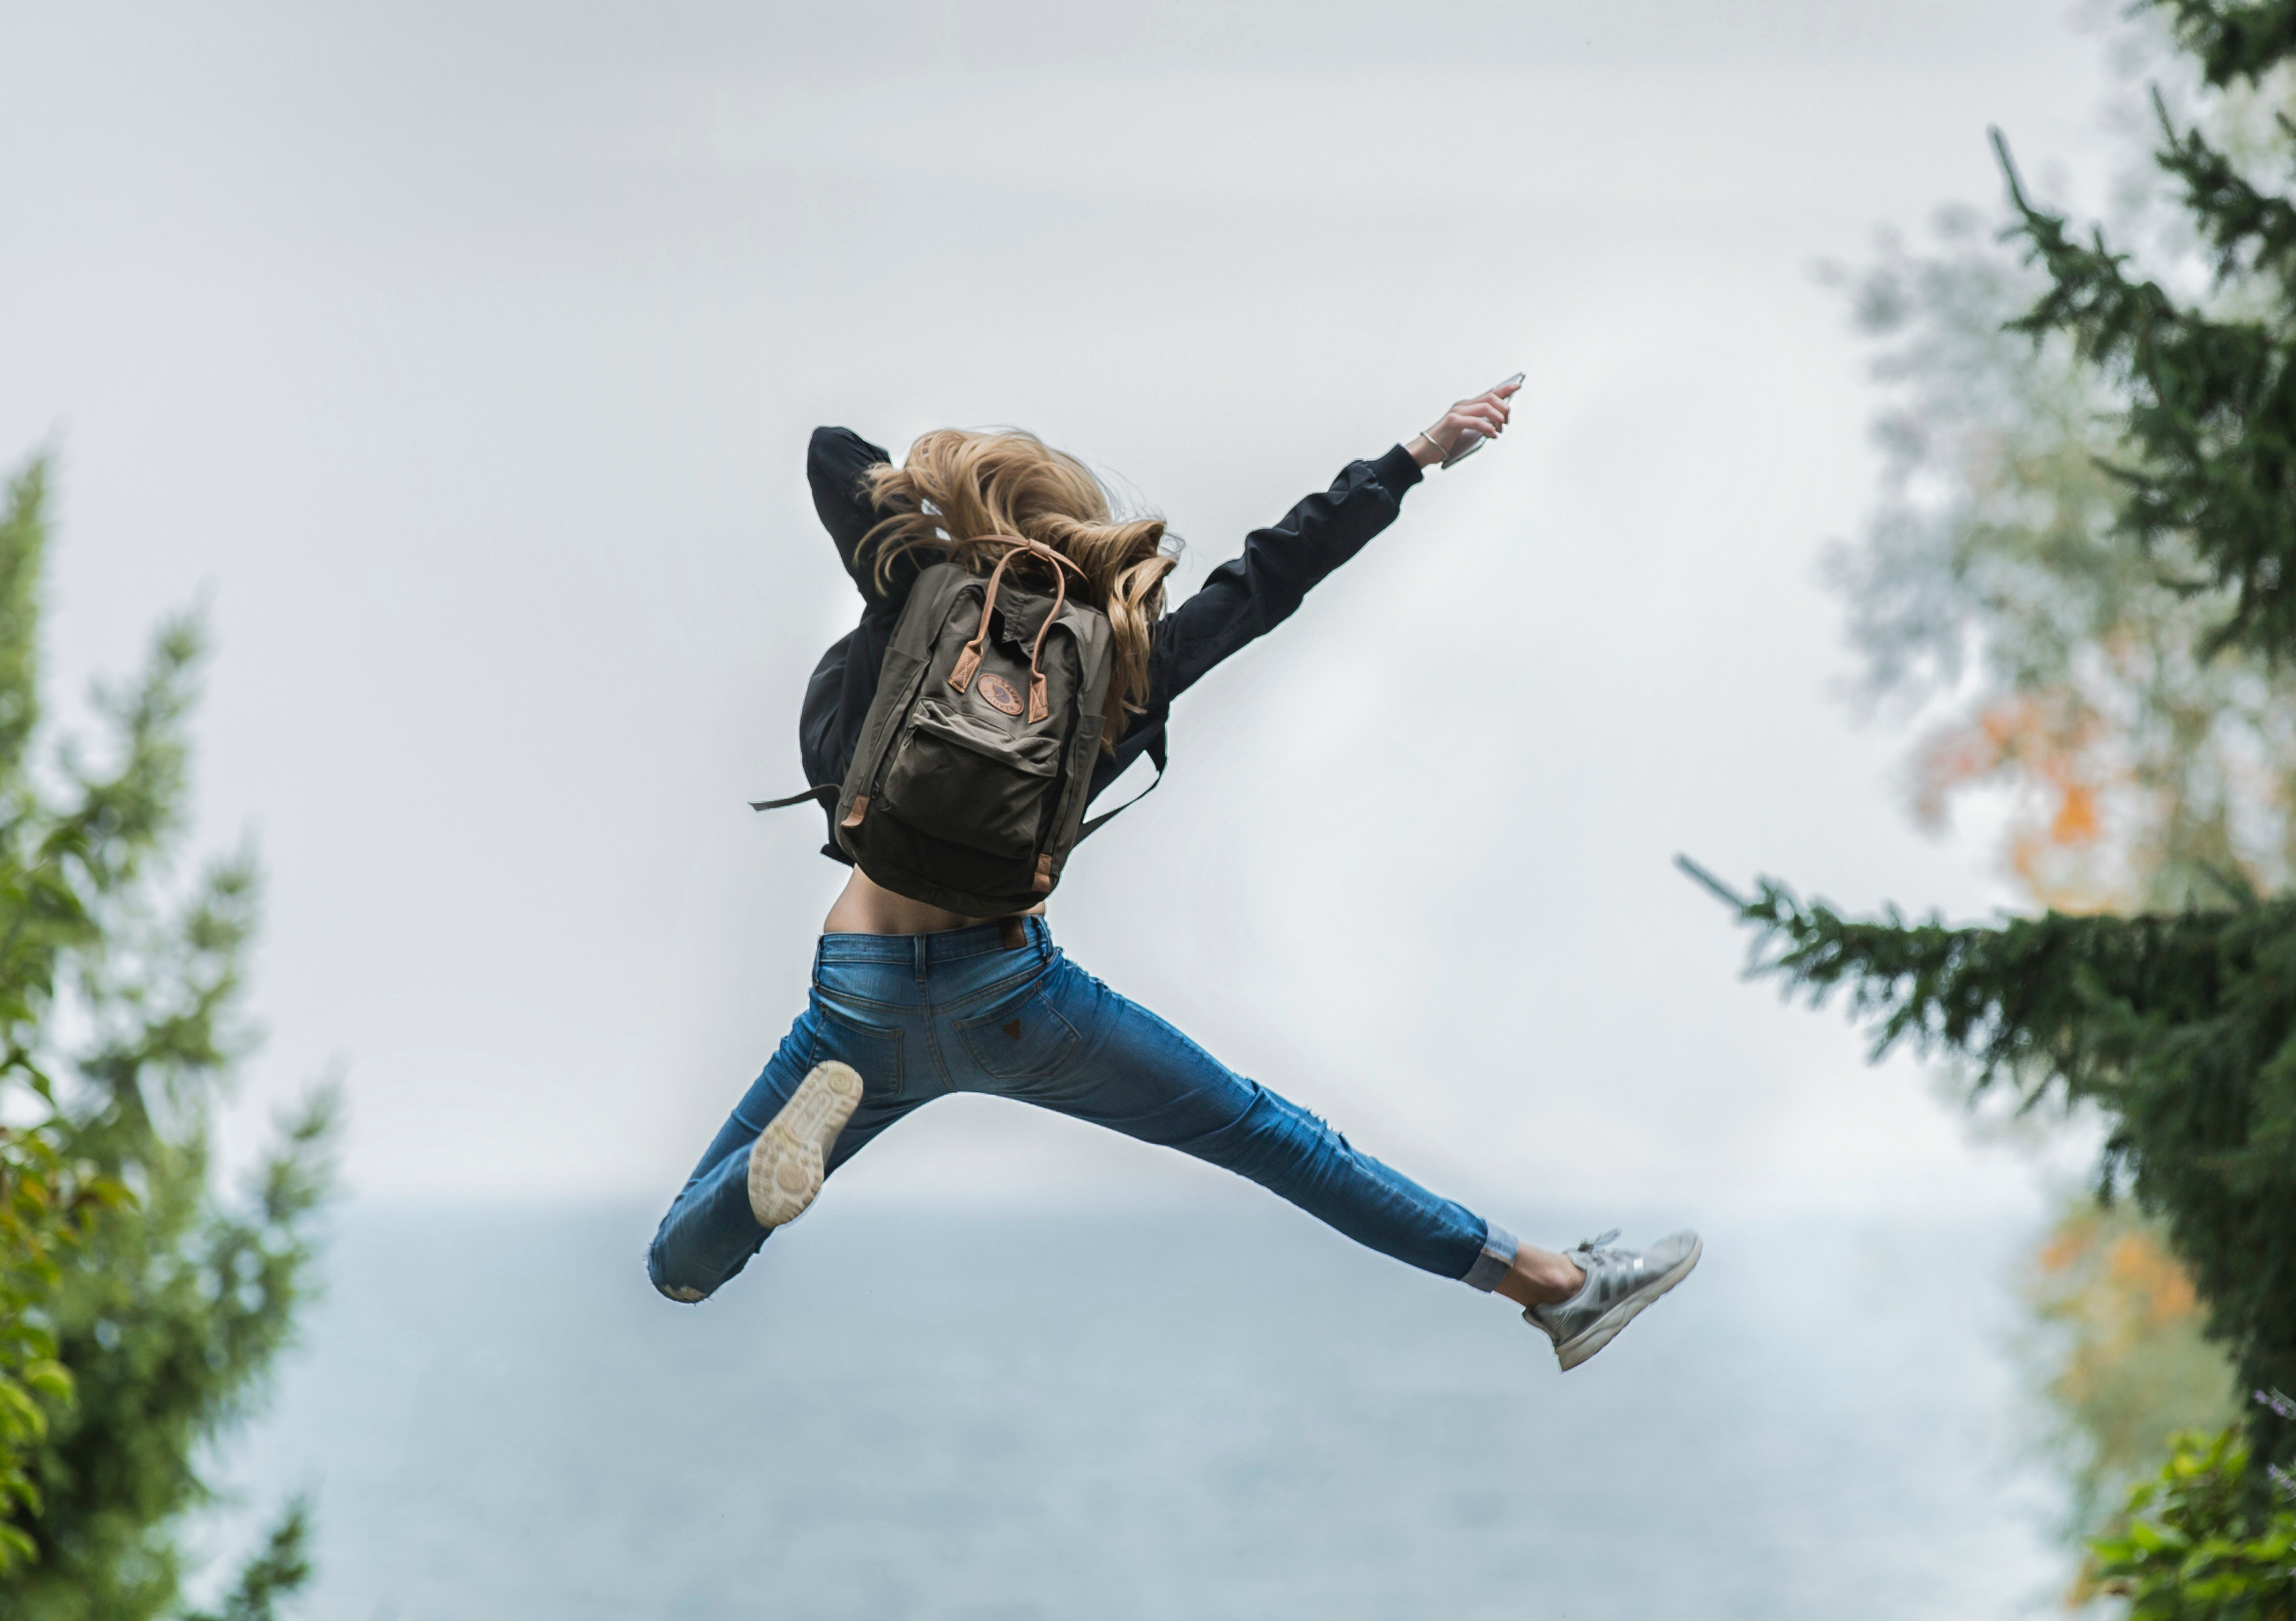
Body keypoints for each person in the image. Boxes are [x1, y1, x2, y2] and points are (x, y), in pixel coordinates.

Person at [644, 381, 1698, 1372]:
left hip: (859, 994)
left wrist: (950, 523)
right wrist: (1413, 457)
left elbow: (836, 454)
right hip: (1013, 997)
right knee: (1273, 1139)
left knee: (677, 1265)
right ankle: (1551, 1286)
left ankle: (752, 1191)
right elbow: (1268, 579)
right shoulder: (1120, 661)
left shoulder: (915, 592)